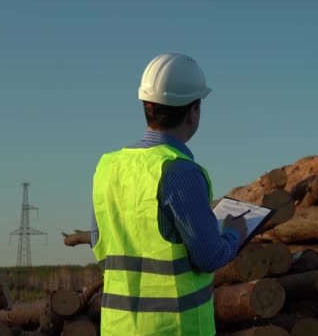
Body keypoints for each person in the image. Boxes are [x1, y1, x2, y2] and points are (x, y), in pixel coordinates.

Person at [90, 53, 247, 335]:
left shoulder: (107, 167)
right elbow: (210, 257)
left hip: (119, 328)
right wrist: (235, 233)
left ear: (146, 107)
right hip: (174, 329)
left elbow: (100, 246)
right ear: (194, 111)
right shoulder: (180, 172)